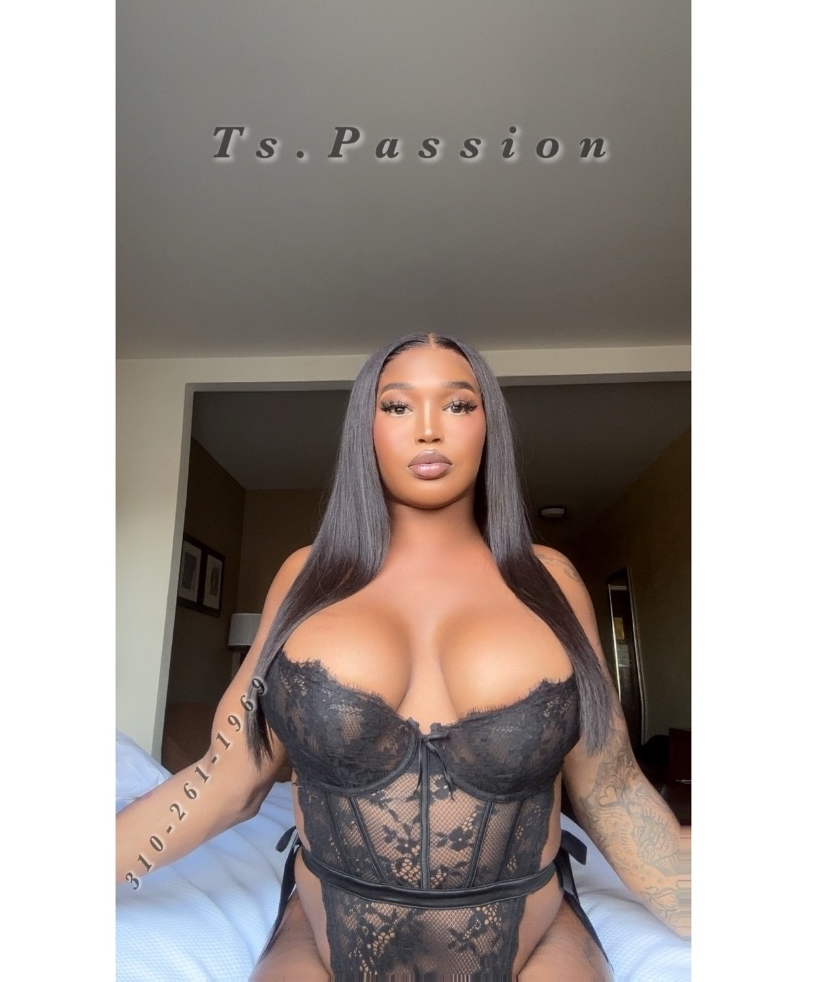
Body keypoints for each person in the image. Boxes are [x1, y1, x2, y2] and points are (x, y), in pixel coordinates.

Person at [117, 332, 690, 980]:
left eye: (457, 404)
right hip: (322, 935)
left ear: (488, 427)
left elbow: (612, 790)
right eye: (396, 405)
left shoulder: (550, 582)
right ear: (366, 430)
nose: (427, 428)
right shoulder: (305, 581)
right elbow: (226, 778)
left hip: (534, 941)